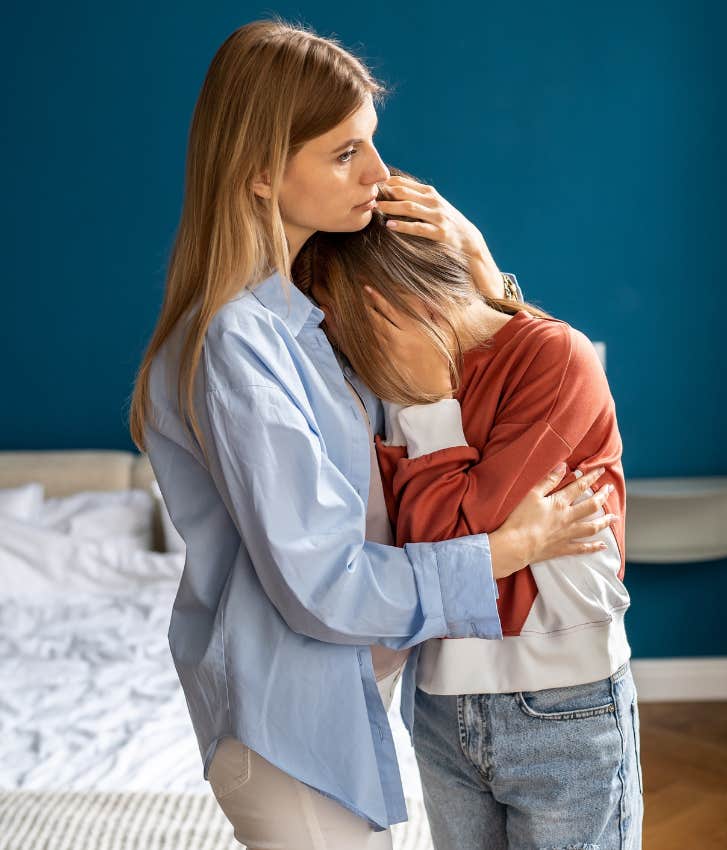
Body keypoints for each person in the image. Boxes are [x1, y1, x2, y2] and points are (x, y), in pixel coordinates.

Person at [128, 18, 617, 850]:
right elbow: (320, 584)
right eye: (345, 152)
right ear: (257, 173)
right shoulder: (240, 343)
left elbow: (458, 390)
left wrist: (483, 269)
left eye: (373, 144)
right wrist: (505, 550)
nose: (380, 175)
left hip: (333, 723)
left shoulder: (302, 322)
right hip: (290, 739)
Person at [292, 178, 643, 849]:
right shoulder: (386, 385)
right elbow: (434, 564)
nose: (339, 354)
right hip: (441, 710)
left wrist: (427, 407)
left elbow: (451, 541)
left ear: (400, 308)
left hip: (564, 707)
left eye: (342, 328)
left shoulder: (554, 357)